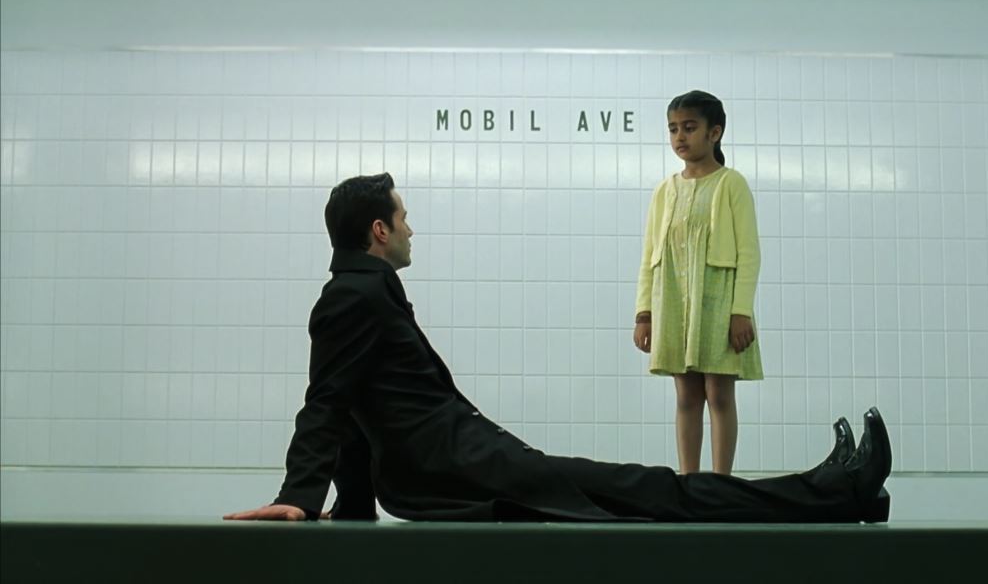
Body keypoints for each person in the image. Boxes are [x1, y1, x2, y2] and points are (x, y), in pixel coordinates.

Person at [224, 173, 891, 524]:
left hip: (467, 461)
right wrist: (300, 494)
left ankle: (832, 488)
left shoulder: (362, 289)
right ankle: (837, 490)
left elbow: (353, 404)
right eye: (402, 218)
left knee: (646, 490)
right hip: (463, 469)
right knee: (652, 491)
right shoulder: (353, 296)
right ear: (378, 229)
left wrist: (354, 504)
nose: (410, 229)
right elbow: (328, 401)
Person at [634, 90, 763, 476]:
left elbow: (749, 254)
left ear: (714, 133)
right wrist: (644, 313)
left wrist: (740, 311)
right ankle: (688, 481)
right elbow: (649, 256)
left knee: (719, 394)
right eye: (673, 129)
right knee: (686, 396)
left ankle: (721, 482)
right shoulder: (664, 190)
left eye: (689, 128)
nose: (680, 137)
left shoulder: (731, 184)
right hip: (673, 303)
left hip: (719, 302)